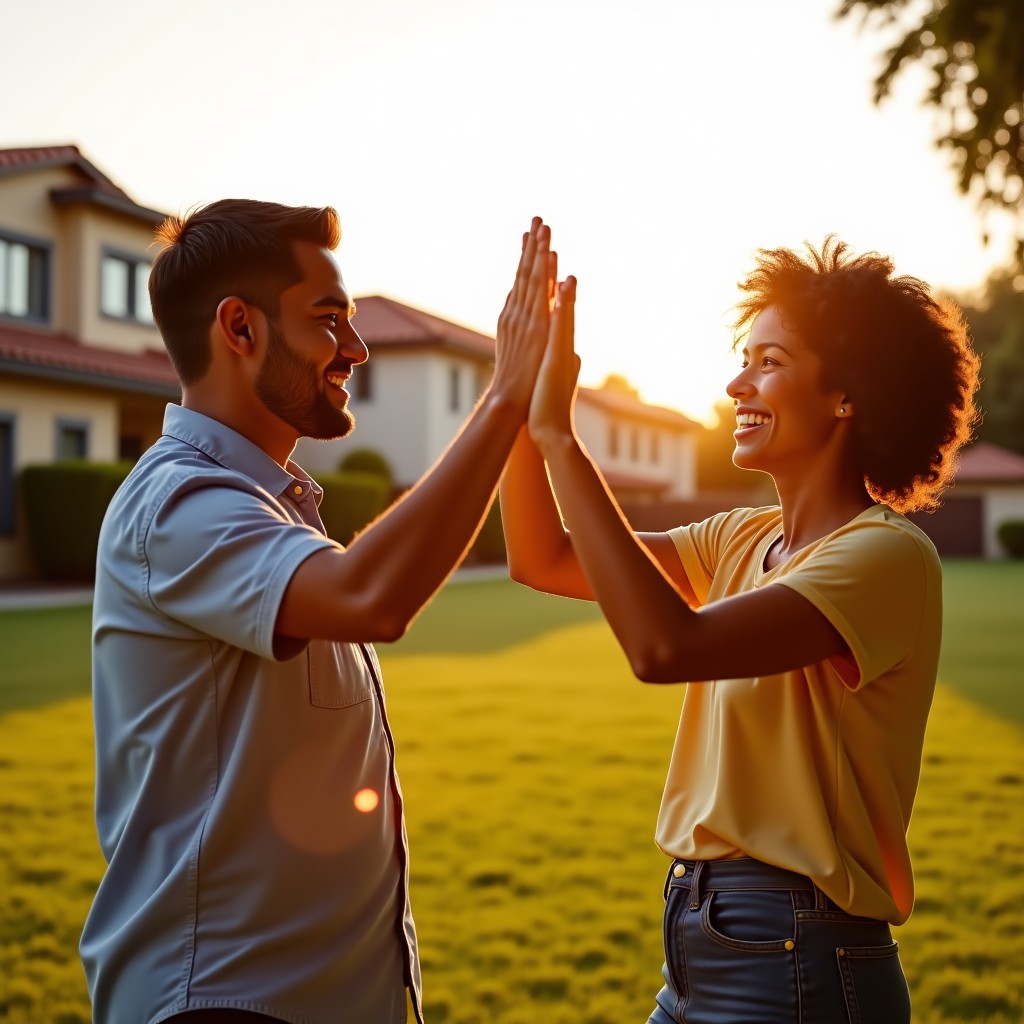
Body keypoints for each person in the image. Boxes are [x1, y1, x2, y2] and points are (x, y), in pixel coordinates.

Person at [80, 201, 556, 1024]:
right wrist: (504, 398)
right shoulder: (178, 502)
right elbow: (372, 597)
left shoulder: (270, 507)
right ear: (240, 328)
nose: (357, 349)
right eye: (330, 319)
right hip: (222, 1003)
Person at [499, 236, 981, 1023]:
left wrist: (561, 434)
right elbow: (543, 557)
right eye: (743, 356)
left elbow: (667, 648)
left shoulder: (885, 558)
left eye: (770, 360)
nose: (736, 382)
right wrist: (519, 408)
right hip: (699, 941)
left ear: (846, 395)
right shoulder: (739, 539)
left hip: (800, 957)